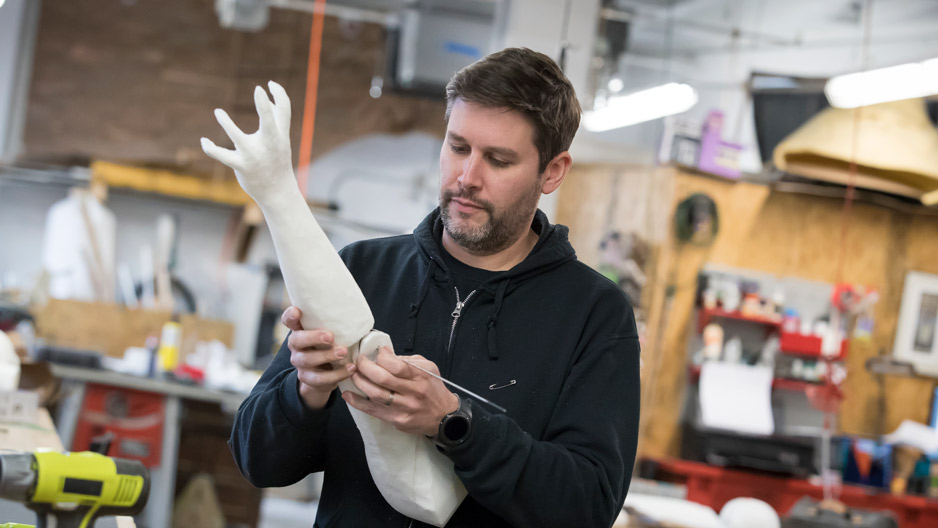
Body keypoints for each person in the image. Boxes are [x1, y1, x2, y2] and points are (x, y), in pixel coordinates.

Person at [229, 47, 640, 528]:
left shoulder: (594, 314)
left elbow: (588, 506)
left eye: (499, 160)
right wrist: (305, 392)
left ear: (552, 171)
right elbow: (256, 460)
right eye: (458, 147)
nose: (467, 178)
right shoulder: (361, 269)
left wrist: (454, 423)